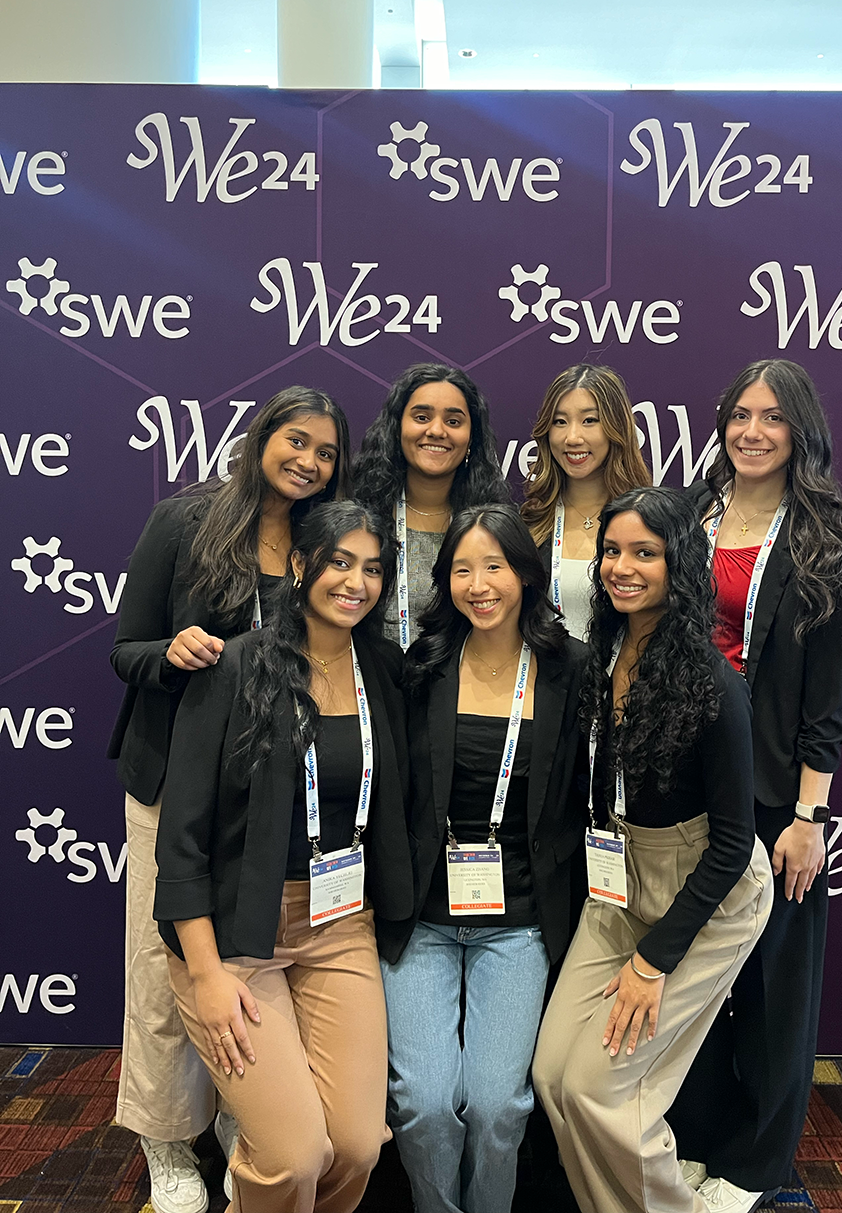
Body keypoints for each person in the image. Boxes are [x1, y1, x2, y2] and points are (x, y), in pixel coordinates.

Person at [108, 386, 349, 1213]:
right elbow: (124, 649)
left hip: (273, 795)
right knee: (165, 963)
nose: (309, 461)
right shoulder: (186, 521)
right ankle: (167, 1141)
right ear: (262, 436)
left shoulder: (324, 539)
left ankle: (241, 1110)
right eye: (296, 440)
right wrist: (170, 653)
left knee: (241, 961)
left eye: (325, 451)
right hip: (176, 782)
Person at [153, 501, 412, 1213]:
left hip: (340, 923)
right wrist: (206, 972)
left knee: (359, 1143)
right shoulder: (234, 665)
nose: (355, 581)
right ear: (300, 565)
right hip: (236, 934)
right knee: (295, 1152)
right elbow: (180, 838)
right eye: (338, 561)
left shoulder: (383, 668)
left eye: (371, 568)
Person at [533, 487, 773, 1213]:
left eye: (646, 553)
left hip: (708, 894)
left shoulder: (712, 681)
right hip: (618, 884)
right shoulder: (599, 656)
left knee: (604, 1091)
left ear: (680, 564)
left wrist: (652, 961)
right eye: (611, 550)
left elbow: (733, 843)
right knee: (553, 1076)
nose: (622, 567)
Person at [666, 360, 842, 1213]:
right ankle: (698, 1138)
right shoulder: (686, 516)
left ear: (801, 434)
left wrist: (809, 815)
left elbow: (828, 698)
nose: (752, 430)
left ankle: (755, 1164)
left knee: (773, 985)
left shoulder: (824, 541)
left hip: (775, 792)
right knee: (694, 979)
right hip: (681, 776)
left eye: (772, 418)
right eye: (739, 413)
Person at [380, 504, 588, 1213]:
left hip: (521, 919)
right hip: (425, 918)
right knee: (428, 1102)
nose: (479, 583)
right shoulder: (423, 668)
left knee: (501, 1105)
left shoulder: (569, 671)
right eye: (462, 568)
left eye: (494, 565)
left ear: (526, 575)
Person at [352, 363, 511, 649]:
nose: (437, 431)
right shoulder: (358, 516)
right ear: (397, 427)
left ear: (472, 437)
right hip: (369, 686)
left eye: (453, 421)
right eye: (422, 417)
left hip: (464, 687)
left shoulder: (493, 526)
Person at [521, 364, 650, 641]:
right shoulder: (530, 523)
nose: (572, 437)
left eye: (589, 420)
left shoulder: (650, 521)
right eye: (559, 421)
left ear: (617, 428)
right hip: (548, 680)